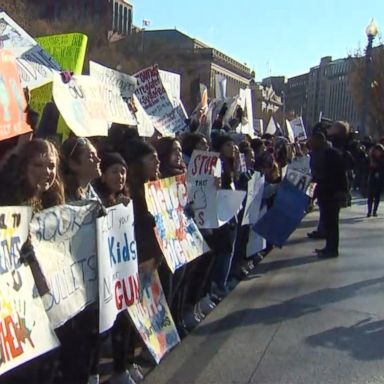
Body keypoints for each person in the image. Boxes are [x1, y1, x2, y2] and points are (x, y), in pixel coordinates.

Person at [94, 152, 142, 384]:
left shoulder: (125, 201)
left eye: (122, 171)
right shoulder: (97, 201)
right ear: (103, 175)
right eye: (114, 171)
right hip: (102, 278)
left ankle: (123, 366)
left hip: (121, 274)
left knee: (125, 320)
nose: (120, 176)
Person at [310, 132, 348, 258]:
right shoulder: (321, 153)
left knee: (332, 222)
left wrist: (342, 191)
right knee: (328, 221)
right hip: (325, 192)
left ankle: (332, 249)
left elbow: (340, 174)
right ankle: (329, 247)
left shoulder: (331, 154)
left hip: (332, 193)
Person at [366, 144, 384, 217]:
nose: (378, 152)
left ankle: (374, 211)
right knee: (370, 196)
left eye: (379, 151)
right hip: (371, 178)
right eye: (376, 151)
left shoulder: (382, 159)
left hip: (379, 179)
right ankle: (369, 211)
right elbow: (365, 167)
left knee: (377, 196)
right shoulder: (370, 158)